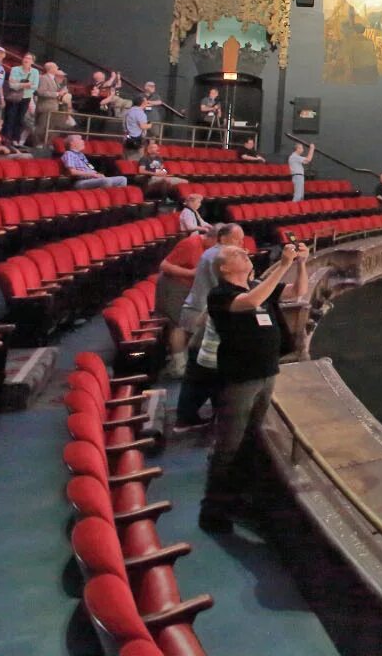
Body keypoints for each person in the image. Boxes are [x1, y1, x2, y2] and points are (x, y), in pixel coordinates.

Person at [197, 241, 306, 534]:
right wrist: (282, 264)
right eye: (236, 254)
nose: (244, 253)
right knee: (229, 446)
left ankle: (238, 499)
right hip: (239, 379)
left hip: (266, 374)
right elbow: (249, 303)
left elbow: (298, 292)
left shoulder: (258, 286)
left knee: (250, 441)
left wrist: (301, 264)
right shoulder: (220, 295)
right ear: (224, 268)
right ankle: (212, 510)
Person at [174, 223, 249, 429]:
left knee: (208, 371)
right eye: (237, 240)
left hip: (202, 312)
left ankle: (203, 412)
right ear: (223, 238)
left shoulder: (214, 254)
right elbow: (231, 286)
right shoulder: (216, 257)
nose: (241, 245)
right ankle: (186, 417)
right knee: (200, 372)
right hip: (200, 314)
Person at [155, 231, 206, 379]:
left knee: (187, 323)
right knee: (177, 324)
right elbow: (164, 265)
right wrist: (190, 273)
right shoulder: (190, 244)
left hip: (188, 288)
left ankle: (184, 361)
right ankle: (178, 365)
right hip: (173, 287)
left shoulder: (209, 248)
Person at [59, 134, 128, 189]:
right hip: (80, 181)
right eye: (80, 140)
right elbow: (72, 172)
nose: (83, 141)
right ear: (72, 143)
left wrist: (97, 173)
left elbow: (90, 166)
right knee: (106, 181)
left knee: (122, 179)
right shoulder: (68, 154)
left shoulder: (81, 155)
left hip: (92, 178)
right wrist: (93, 174)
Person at [1, 53, 39, 144]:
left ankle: (15, 139)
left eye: (29, 58)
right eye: (25, 57)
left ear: (32, 62)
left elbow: (35, 86)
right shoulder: (15, 69)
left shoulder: (35, 72)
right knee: (10, 117)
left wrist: (19, 83)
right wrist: (26, 84)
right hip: (14, 97)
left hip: (26, 97)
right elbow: (12, 85)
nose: (26, 60)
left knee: (20, 119)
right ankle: (6, 138)